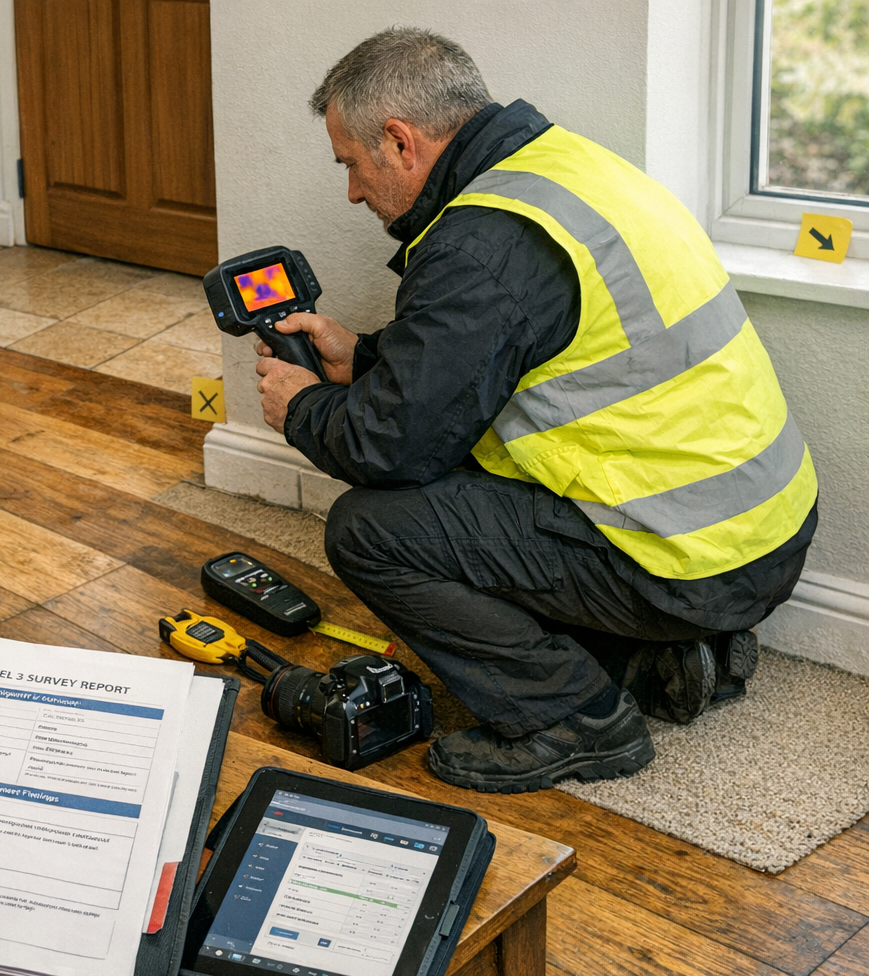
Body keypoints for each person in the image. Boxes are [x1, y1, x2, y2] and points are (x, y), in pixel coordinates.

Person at [253, 28, 817, 793]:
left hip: (684, 560)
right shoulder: (569, 169)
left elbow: (393, 449)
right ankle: (660, 655)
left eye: (351, 164)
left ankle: (575, 718)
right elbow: (506, 342)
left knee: (371, 531)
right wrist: (367, 357)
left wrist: (304, 407)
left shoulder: (478, 245)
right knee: (483, 488)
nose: (353, 191)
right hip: (761, 532)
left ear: (399, 141)